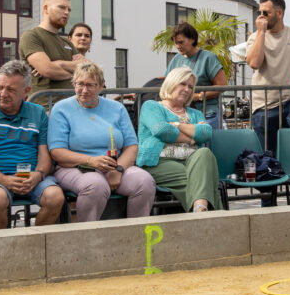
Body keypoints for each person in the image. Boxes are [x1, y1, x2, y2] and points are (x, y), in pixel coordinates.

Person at [48, 61, 155, 220]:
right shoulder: (61, 108)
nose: (84, 90)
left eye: (90, 85)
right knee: (95, 185)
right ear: (74, 84)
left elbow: (131, 146)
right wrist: (90, 161)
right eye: (80, 84)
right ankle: (87, 238)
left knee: (144, 182)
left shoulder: (117, 108)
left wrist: (118, 169)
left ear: (101, 86)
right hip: (75, 166)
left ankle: (136, 237)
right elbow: (57, 152)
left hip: (114, 165)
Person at [0, 60, 65, 230]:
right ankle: (3, 249)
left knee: (55, 197)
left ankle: (34, 245)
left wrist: (38, 175)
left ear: (26, 91)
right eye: (0, 87)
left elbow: (44, 154)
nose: (3, 93)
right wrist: (4, 180)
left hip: (29, 176)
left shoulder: (38, 112)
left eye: (11, 89)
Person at [138, 67, 223, 212]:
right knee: (203, 179)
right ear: (171, 83)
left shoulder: (194, 113)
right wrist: (192, 138)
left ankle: (199, 211)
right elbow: (162, 130)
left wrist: (177, 125)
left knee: (204, 154)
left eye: (190, 86)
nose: (187, 89)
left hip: (192, 161)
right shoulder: (152, 106)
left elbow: (206, 133)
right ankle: (204, 211)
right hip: (159, 162)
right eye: (182, 84)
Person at [247, 0, 290, 151]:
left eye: (266, 13)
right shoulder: (254, 37)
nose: (261, 17)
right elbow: (254, 63)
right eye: (259, 13)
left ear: (279, 13)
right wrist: (261, 32)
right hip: (264, 103)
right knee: (268, 153)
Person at [21, 0, 82, 102]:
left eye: (69, 10)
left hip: (73, 108)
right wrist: (74, 72)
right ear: (46, 9)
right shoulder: (31, 36)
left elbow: (85, 70)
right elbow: (48, 70)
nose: (67, 12)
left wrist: (59, 64)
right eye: (62, 7)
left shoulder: (67, 43)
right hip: (45, 109)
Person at [167, 22, 228, 129]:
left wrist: (198, 97)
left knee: (207, 145)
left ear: (192, 39)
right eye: (175, 43)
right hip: (183, 115)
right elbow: (166, 82)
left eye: (181, 42)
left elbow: (222, 85)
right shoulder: (176, 59)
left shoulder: (208, 58)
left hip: (207, 114)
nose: (178, 46)